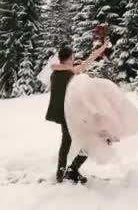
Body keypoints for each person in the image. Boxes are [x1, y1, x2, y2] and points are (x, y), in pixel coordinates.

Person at [45, 39, 110, 184]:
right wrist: (103, 48)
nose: (74, 59)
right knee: (91, 140)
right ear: (69, 58)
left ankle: (61, 171)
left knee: (66, 142)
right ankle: (73, 168)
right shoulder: (70, 72)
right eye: (72, 57)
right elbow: (88, 61)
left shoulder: (54, 73)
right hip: (74, 115)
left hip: (63, 115)